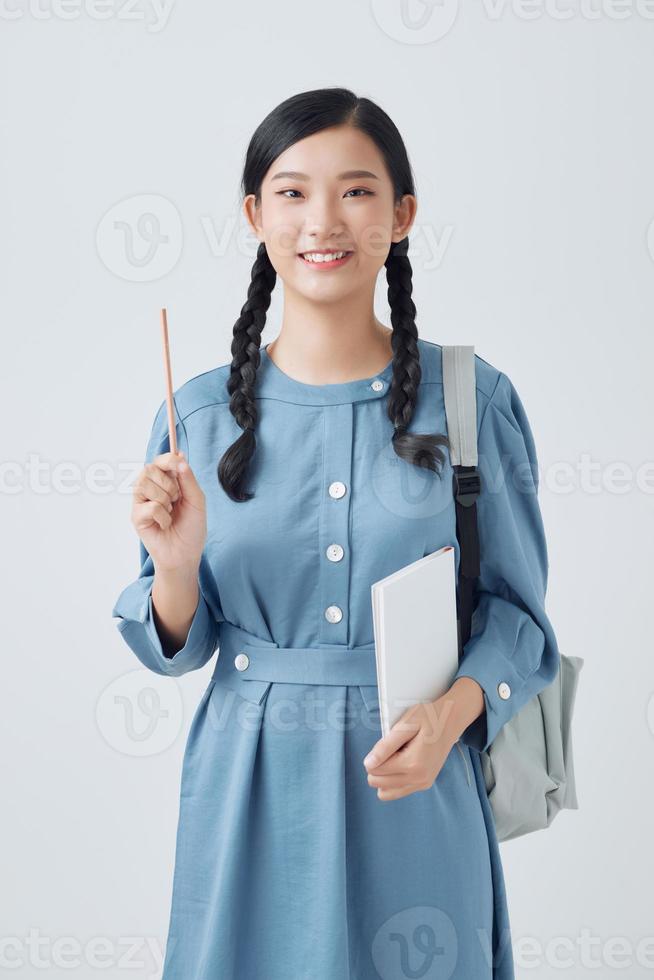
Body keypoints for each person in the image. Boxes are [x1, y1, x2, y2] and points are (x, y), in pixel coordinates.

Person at [111, 87, 561, 980]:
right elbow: (175, 646)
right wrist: (176, 567)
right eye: (291, 192)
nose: (324, 220)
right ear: (254, 215)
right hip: (247, 788)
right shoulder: (194, 416)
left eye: (356, 191)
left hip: (418, 777)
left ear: (402, 215)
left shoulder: (473, 402)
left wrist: (448, 717)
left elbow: (521, 623)